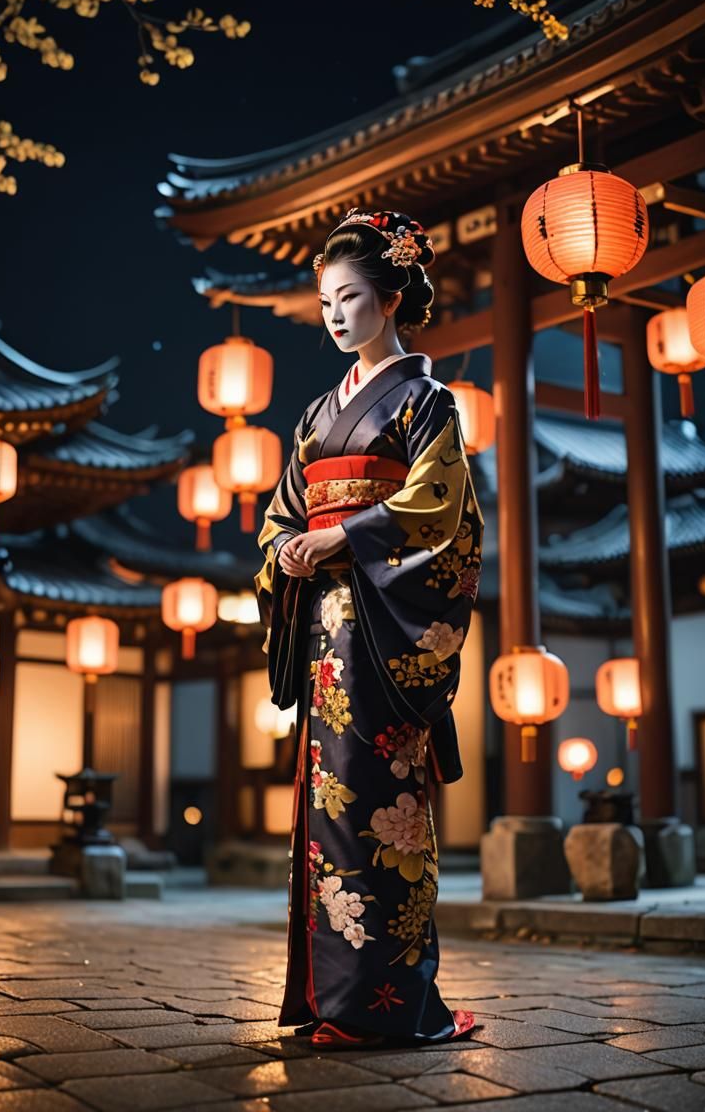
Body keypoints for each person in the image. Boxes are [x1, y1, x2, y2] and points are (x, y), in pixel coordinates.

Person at [255, 208, 484, 1050]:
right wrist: (286, 549)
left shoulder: (430, 403)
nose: (336, 315)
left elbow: (442, 511)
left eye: (350, 297)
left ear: (390, 300)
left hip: (385, 636)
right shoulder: (317, 416)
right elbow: (282, 510)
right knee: (328, 815)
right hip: (325, 633)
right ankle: (331, 999)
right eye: (325, 302)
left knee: (382, 809)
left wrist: (344, 536)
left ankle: (385, 1006)